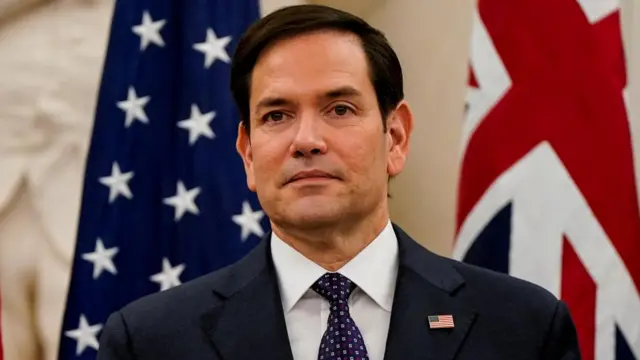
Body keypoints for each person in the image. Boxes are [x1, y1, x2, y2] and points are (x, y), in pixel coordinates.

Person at [97, 4, 580, 360]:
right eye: (277, 115)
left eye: (340, 109)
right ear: (247, 154)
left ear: (395, 136)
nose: (306, 140)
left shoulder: (524, 327)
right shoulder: (149, 342)